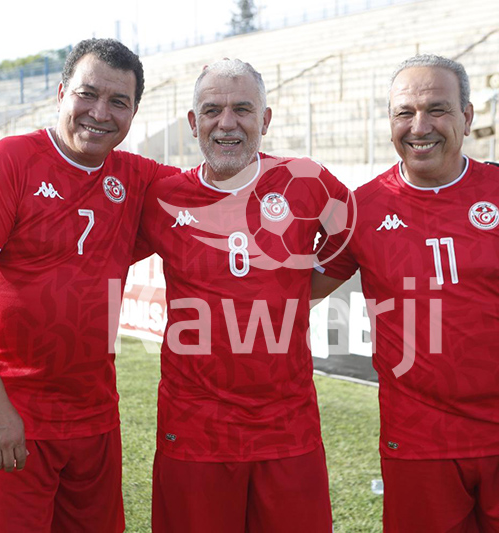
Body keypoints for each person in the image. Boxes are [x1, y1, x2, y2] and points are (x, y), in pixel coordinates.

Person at [312, 54, 499, 532]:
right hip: (416, 446)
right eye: (404, 113)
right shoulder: (361, 208)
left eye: (437, 109)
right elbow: (292, 288)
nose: (420, 126)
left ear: (467, 116)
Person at [0, 38, 179, 533]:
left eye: (118, 102)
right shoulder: (7, 164)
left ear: (134, 112)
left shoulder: (137, 177)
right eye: (88, 94)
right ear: (62, 91)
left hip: (94, 417)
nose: (100, 112)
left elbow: (216, 194)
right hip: (13, 410)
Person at [139, 59, 352, 532]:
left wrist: (299, 290)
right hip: (194, 428)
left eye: (242, 109)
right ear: (194, 123)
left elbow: (351, 243)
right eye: (212, 110)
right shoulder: (163, 198)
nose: (227, 123)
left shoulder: (308, 182)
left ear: (265, 119)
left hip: (287, 426)